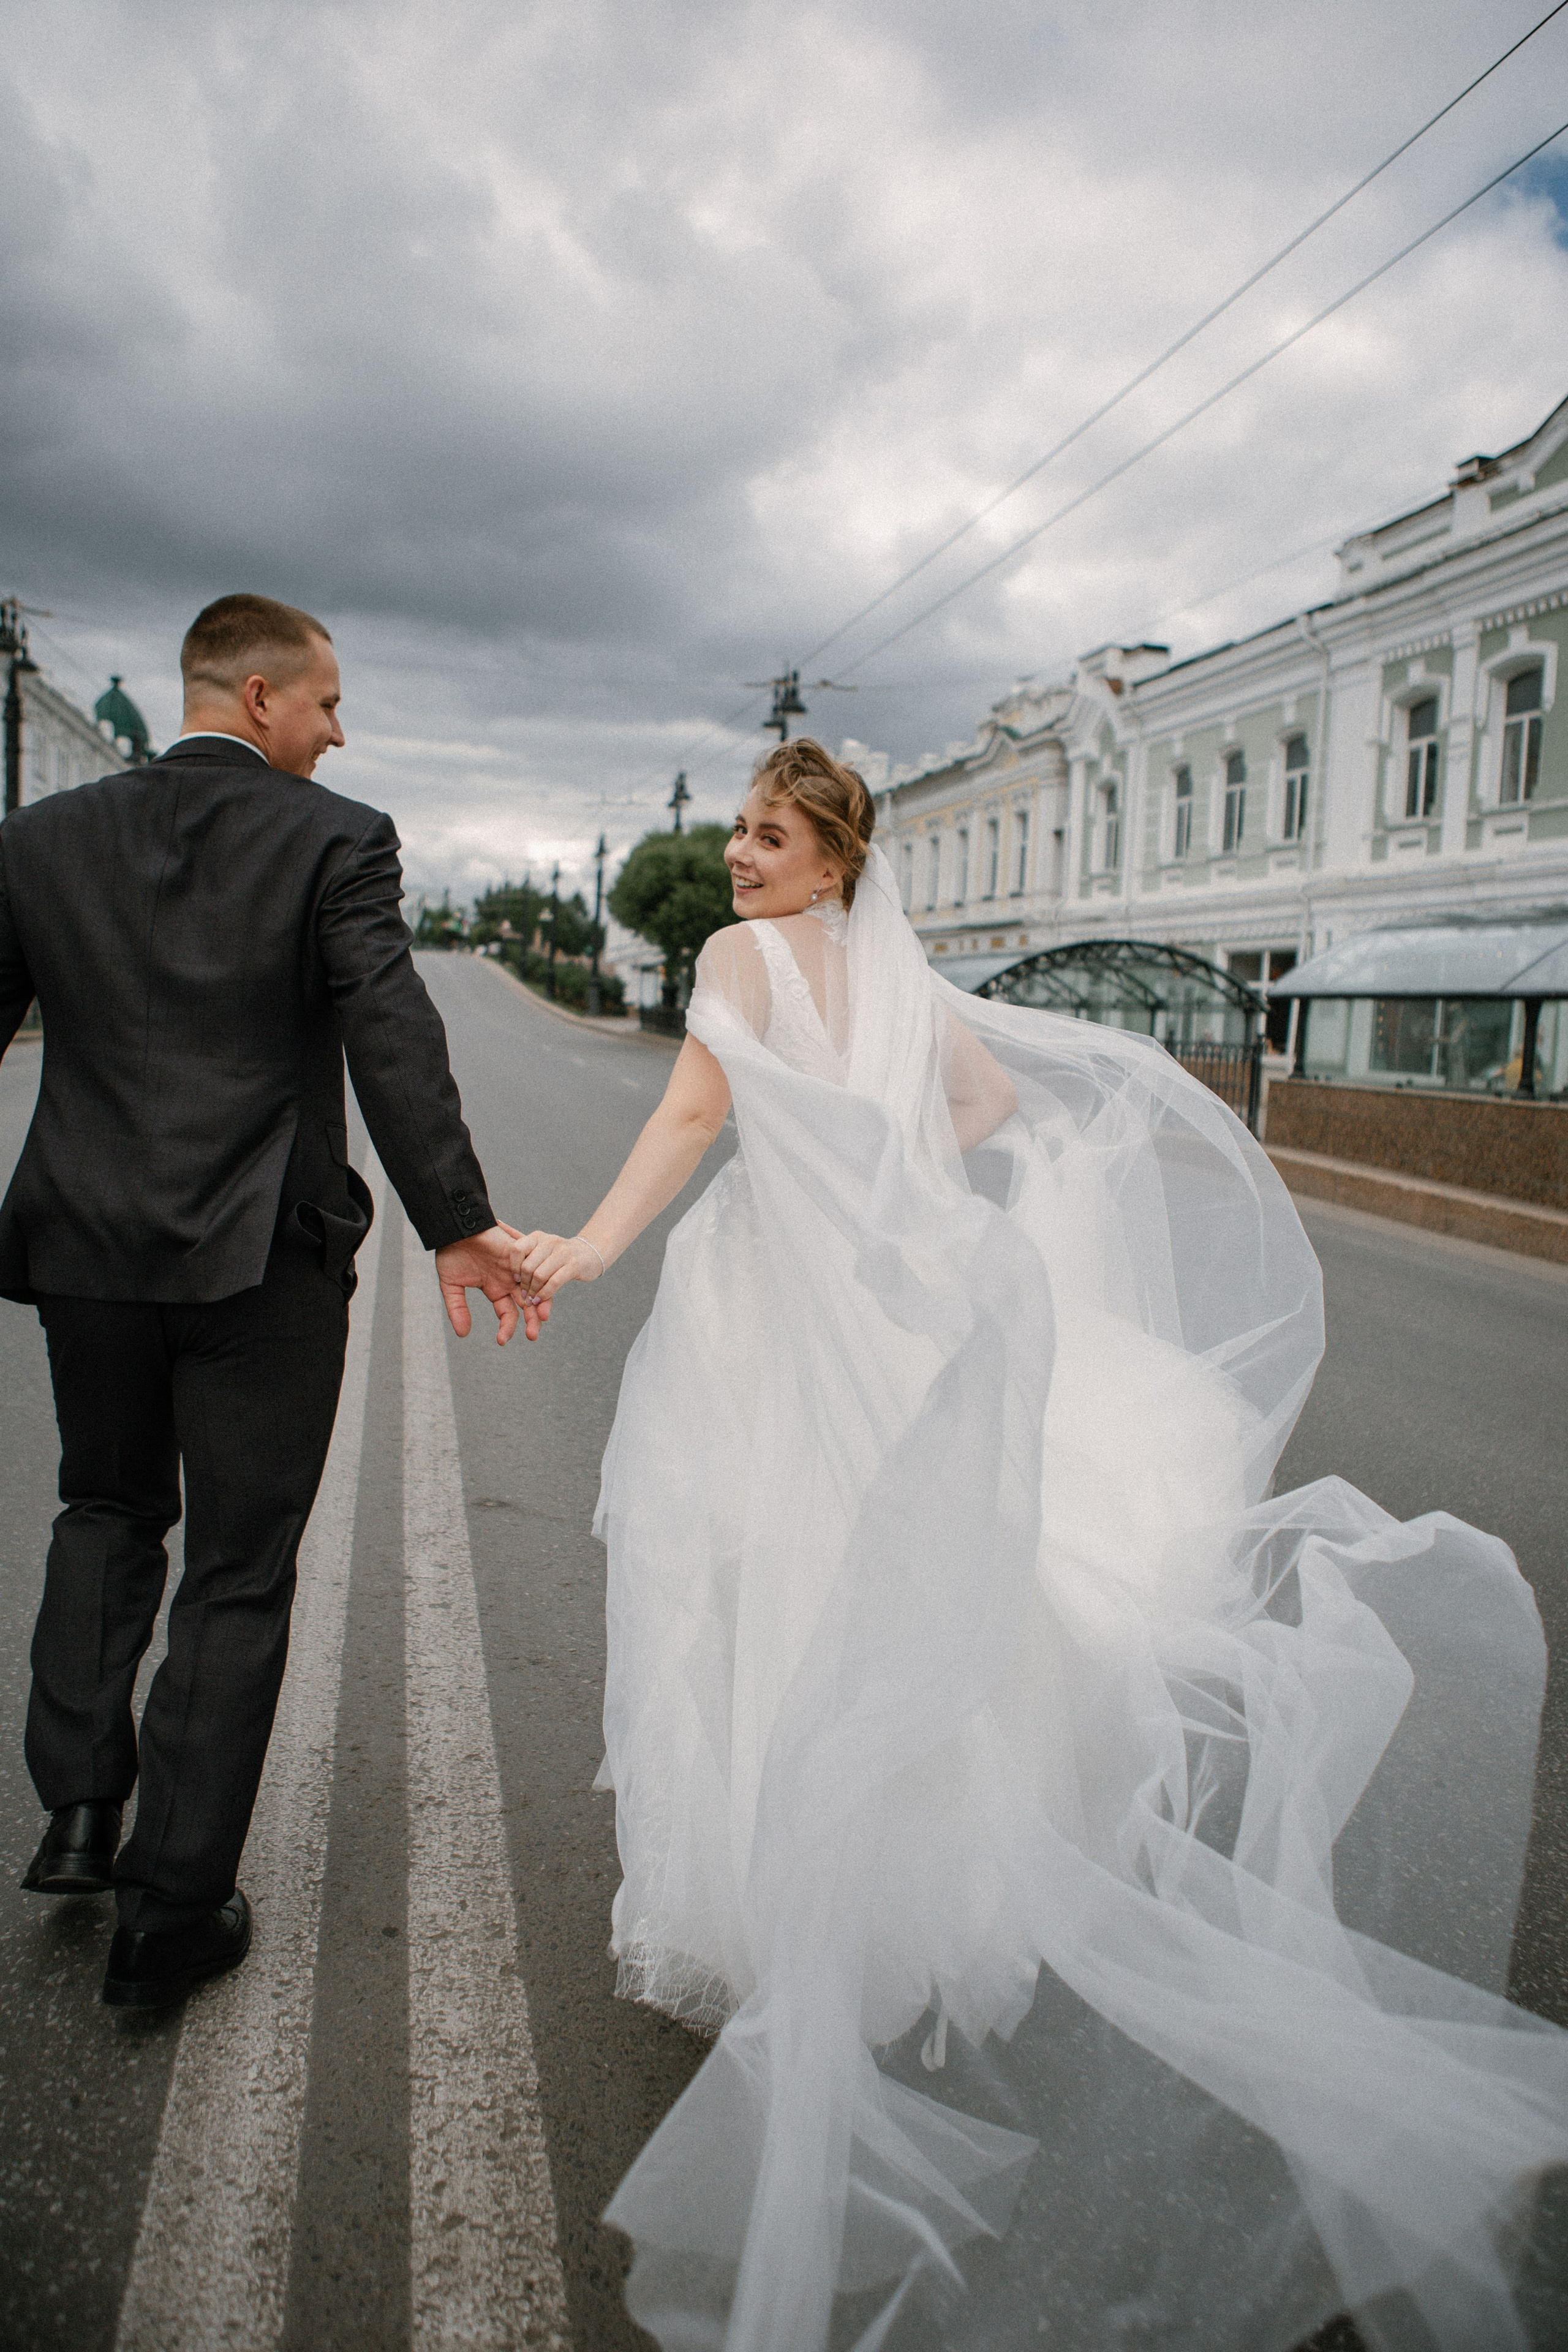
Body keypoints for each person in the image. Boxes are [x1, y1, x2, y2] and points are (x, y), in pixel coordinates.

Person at [518, 738, 1568, 2352]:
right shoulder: (913, 982)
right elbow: (991, 1103)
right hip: (897, 1306)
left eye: (767, 832)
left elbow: (686, 1112)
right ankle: (901, 1910)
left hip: (764, 1318)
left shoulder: (740, 961)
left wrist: (588, 1246)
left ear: (831, 856)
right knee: (911, 1604)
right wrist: (905, 1205)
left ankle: (774, 1912)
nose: (737, 855)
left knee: (754, 1599)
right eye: (736, 829)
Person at [0, 593, 535, 2008]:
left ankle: (74, 1811)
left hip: (87, 1257)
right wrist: (459, 1225)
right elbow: (389, 1032)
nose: (338, 730)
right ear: (253, 698)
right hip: (259, 1266)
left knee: (104, 1510)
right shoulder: (334, 839)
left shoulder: (39, 842)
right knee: (236, 1568)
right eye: (326, 703)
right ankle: (172, 1908)